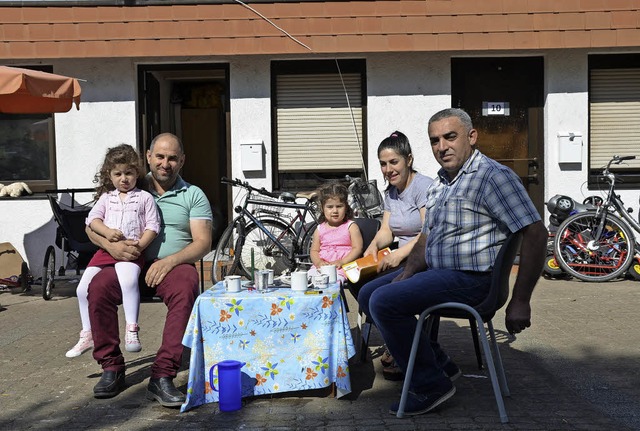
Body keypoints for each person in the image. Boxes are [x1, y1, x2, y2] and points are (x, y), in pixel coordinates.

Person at [358, 108, 548, 416]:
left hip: (474, 281)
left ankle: (430, 384)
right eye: (435, 140)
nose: (442, 147)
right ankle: (440, 365)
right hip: (440, 273)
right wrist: (407, 273)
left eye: (450, 137)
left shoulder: (493, 177)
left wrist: (521, 300)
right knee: (368, 294)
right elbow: (425, 237)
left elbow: (536, 233)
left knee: (384, 301)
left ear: (471, 137)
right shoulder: (442, 182)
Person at [86, 133, 212, 407]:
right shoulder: (125, 183)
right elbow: (90, 227)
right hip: (125, 262)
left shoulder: (193, 194)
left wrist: (170, 261)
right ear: (148, 156)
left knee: (186, 284)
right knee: (97, 287)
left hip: (170, 267)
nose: (165, 163)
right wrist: (112, 247)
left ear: (182, 161)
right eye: (160, 156)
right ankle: (111, 367)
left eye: (172, 158)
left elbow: (203, 242)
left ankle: (163, 375)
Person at [65, 144, 160, 358]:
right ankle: (87, 334)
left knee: (128, 282)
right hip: (105, 252)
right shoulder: (107, 197)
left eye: (128, 173)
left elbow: (152, 226)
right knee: (82, 289)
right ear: (110, 174)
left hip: (131, 251)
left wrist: (140, 246)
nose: (124, 178)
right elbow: (92, 220)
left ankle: (132, 329)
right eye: (118, 174)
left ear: (137, 172)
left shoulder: (144, 197)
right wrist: (107, 232)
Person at [357, 131, 433, 378]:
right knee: (357, 285)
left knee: (374, 295)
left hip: (423, 260)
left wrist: (399, 255)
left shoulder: (423, 187)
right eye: (383, 163)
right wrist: (372, 248)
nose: (388, 169)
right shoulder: (390, 192)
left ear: (408, 160)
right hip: (402, 259)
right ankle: (403, 341)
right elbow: (387, 231)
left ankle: (410, 350)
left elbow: (427, 233)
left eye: (393, 162)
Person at [309, 182, 363, 285]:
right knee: (309, 279)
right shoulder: (320, 228)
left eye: (339, 206)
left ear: (346, 207)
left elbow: (358, 248)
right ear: (322, 208)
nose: (335, 211)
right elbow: (314, 250)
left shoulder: (351, 226)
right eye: (330, 207)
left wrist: (342, 262)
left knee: (334, 282)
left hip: (344, 266)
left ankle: (332, 301)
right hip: (322, 266)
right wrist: (318, 262)